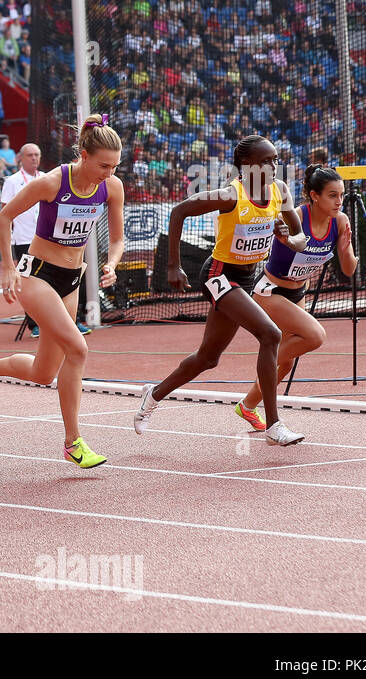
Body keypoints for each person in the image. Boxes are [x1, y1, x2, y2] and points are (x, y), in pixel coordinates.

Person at [0, 114, 125, 469]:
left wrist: (112, 263)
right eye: (103, 165)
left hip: (72, 280)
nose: (108, 173)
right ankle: (73, 442)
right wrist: (7, 266)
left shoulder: (112, 187)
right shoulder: (52, 182)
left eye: (114, 166)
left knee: (43, 372)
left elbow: (117, 238)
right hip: (36, 275)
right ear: (83, 154)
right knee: (77, 348)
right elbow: (4, 217)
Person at [133, 135, 309, 446]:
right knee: (271, 334)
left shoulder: (279, 191)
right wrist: (173, 266)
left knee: (207, 358)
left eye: (276, 159)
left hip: (246, 278)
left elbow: (300, 239)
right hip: (218, 275)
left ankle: (154, 393)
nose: (274, 165)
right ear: (246, 165)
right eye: (266, 160)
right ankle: (274, 425)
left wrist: (286, 239)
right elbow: (178, 212)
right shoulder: (230, 195)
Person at [233, 164, 358, 431]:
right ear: (314, 195)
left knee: (285, 364)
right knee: (315, 336)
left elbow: (348, 271)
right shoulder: (294, 217)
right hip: (269, 290)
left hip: (297, 292)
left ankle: (247, 406)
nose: (339, 201)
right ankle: (265, 360)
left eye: (341, 195)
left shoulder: (340, 221)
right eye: (332, 195)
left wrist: (346, 250)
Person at [0, 142, 47, 336]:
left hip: (46, 240)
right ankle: (34, 324)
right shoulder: (12, 181)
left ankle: (62, 321)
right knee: (28, 282)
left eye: (37, 154)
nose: (34, 158)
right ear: (21, 158)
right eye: (30, 155)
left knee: (50, 281)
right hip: (24, 240)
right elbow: (4, 213)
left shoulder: (46, 178)